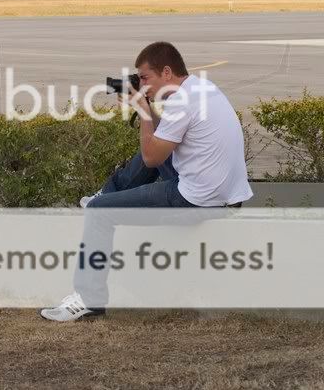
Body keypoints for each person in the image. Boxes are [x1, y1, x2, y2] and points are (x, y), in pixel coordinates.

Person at [40, 41, 253, 322]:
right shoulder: (201, 89)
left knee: (98, 213)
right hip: (223, 194)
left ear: (166, 72)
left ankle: (89, 300)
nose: (141, 85)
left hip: (195, 201)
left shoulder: (182, 103)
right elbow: (163, 138)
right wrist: (146, 106)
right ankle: (105, 194)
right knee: (151, 149)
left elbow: (152, 157)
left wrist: (141, 108)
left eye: (144, 78)